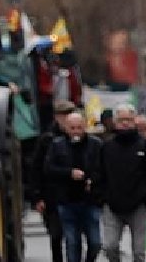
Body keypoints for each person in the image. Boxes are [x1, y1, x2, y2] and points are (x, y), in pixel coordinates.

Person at [100, 104, 146, 262]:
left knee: (139, 252)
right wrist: (102, 197)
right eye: (121, 120)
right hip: (113, 205)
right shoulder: (107, 147)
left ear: (134, 121)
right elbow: (99, 173)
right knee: (109, 246)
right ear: (114, 122)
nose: (125, 123)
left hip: (139, 205)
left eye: (128, 119)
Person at [45, 112, 104, 262]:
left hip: (90, 201)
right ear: (66, 128)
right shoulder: (57, 145)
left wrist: (93, 180)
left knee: (95, 242)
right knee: (72, 243)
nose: (76, 131)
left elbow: (103, 167)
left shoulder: (96, 144)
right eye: (72, 128)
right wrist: (69, 173)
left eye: (79, 127)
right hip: (67, 201)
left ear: (85, 127)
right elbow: (49, 169)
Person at [29, 100, 77, 262]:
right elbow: (36, 169)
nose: (66, 119)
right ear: (57, 117)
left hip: (74, 195)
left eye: (69, 115)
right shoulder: (47, 140)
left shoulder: (80, 138)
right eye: (63, 116)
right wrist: (37, 197)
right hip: (52, 196)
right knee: (56, 236)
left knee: (74, 237)